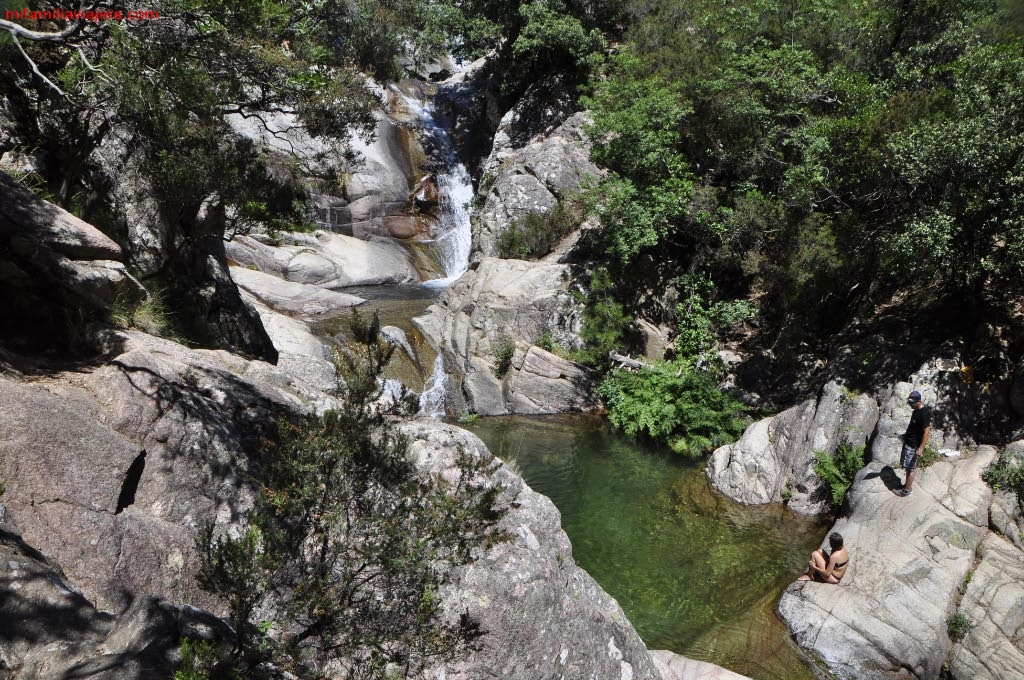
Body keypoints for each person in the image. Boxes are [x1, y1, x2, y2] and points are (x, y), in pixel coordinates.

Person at [897, 389, 932, 497]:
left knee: (910, 468)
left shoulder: (924, 413)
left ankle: (907, 491)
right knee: (907, 467)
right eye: (909, 402)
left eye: (912, 403)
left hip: (914, 445)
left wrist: (921, 448)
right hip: (909, 442)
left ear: (919, 401)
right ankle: (907, 485)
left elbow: (927, 431)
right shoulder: (916, 410)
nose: (910, 404)